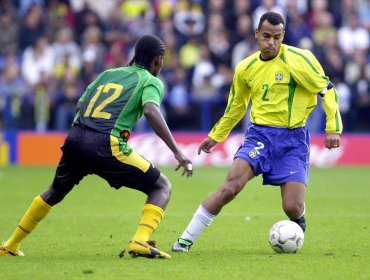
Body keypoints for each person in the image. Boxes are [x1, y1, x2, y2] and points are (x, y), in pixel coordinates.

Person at [0, 35, 193, 259]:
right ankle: (140, 240)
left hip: (76, 137)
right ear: (158, 60)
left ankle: (10, 245)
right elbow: (150, 110)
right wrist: (177, 152)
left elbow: (81, 104)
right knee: (161, 187)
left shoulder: (107, 74)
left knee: (55, 191)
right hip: (105, 143)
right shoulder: (151, 81)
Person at [172, 11, 342, 252]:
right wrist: (216, 135)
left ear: (283, 36)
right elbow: (236, 106)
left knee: (292, 207)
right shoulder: (245, 68)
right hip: (259, 136)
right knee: (230, 187)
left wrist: (333, 128)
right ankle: (184, 241)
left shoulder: (300, 59)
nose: (271, 42)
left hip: (293, 140)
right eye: (266, 36)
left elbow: (328, 90)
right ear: (256, 34)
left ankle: (298, 223)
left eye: (277, 37)